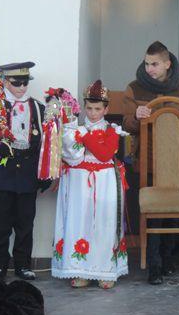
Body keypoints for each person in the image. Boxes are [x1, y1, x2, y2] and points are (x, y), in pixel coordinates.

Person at [122, 41, 179, 285]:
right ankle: (154, 264)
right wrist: (136, 117)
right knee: (154, 214)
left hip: (177, 164)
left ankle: (168, 259)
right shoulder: (134, 88)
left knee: (174, 214)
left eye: (154, 64)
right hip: (146, 161)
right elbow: (126, 124)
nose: (149, 69)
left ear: (167, 64)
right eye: (146, 63)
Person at [52, 80, 128, 288]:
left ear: (106, 109)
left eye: (98, 109)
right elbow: (67, 154)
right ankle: (80, 270)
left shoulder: (112, 130)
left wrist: (84, 136)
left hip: (104, 182)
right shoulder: (74, 129)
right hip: (78, 182)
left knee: (103, 222)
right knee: (80, 222)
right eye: (89, 108)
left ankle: (105, 271)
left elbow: (104, 155)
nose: (93, 113)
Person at [0, 62, 47, 280]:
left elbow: (45, 143)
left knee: (25, 223)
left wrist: (46, 171)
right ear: (5, 82)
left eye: (25, 82)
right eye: (16, 83)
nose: (21, 87)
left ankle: (23, 265)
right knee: (1, 223)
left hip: (27, 170)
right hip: (3, 171)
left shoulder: (38, 107)